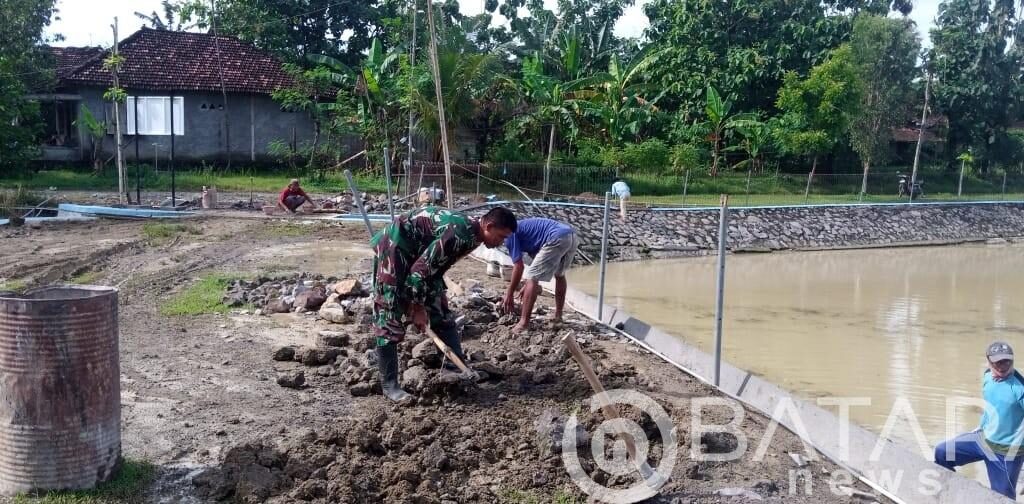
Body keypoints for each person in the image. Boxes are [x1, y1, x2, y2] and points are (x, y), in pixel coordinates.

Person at [371, 206, 517, 402]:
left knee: (440, 309)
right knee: (389, 311)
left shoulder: (475, 234)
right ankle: (390, 386)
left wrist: (430, 299)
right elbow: (419, 273)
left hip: (419, 256)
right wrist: (418, 308)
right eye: (501, 237)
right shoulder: (458, 234)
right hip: (396, 248)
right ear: (488, 226)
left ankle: (455, 366)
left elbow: (433, 268)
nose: (501, 243)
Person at [933, 341, 1024, 498]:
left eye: (1007, 361)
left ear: (1013, 361)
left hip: (1006, 452)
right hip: (982, 439)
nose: (1003, 366)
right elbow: (990, 405)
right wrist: (982, 425)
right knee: (942, 453)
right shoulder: (987, 377)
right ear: (988, 362)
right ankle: (950, 495)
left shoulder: (1019, 389)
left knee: (1003, 498)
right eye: (998, 362)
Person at [499, 217, 579, 333]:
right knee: (559, 275)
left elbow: (519, 266)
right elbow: (538, 263)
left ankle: (523, 323)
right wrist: (527, 285)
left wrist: (509, 294)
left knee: (532, 277)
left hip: (555, 237)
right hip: (571, 235)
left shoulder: (510, 235)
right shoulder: (526, 232)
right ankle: (558, 316)